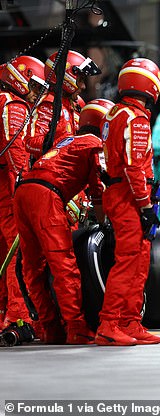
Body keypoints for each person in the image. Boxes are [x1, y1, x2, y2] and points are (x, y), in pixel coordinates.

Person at [13, 98, 113, 344]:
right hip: (47, 196)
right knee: (63, 264)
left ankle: (49, 328)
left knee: (32, 267)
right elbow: (97, 191)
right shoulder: (95, 144)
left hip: (23, 191)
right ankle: (76, 327)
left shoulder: (66, 140)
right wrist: (106, 228)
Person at [96, 58, 160, 346]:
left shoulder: (113, 114)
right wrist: (146, 206)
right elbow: (134, 167)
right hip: (129, 196)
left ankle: (130, 322)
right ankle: (109, 324)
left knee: (139, 259)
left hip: (120, 192)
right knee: (128, 261)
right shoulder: (135, 118)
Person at [0, 56, 48, 330]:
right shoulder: (13, 104)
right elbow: (15, 146)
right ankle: (17, 314)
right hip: (7, 185)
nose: (35, 92)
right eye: (33, 84)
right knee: (16, 251)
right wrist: (23, 179)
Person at [26, 50, 100, 159]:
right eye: (80, 80)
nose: (83, 86)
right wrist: (60, 143)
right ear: (67, 77)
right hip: (53, 171)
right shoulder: (49, 103)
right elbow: (30, 143)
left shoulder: (77, 104)